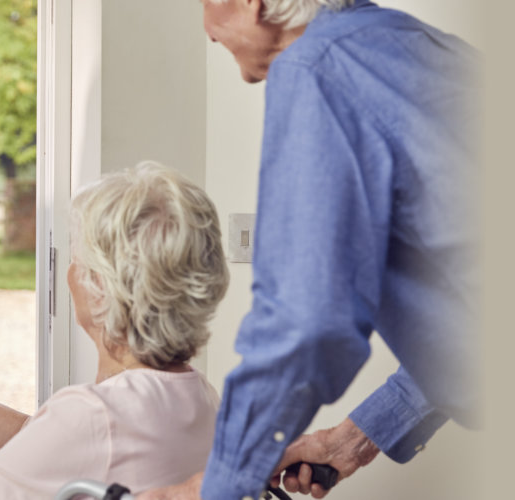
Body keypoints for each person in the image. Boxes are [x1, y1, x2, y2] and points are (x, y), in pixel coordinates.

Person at [142, 1, 481, 499]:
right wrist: (351, 441)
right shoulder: (419, 49)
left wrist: (212, 490)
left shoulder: (315, 69)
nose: (207, 31)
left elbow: (304, 323)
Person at [0, 163, 232, 500]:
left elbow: (67, 442)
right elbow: (51, 447)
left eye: (77, 259)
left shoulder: (93, 415)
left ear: (101, 288)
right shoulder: (202, 396)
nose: (70, 273)